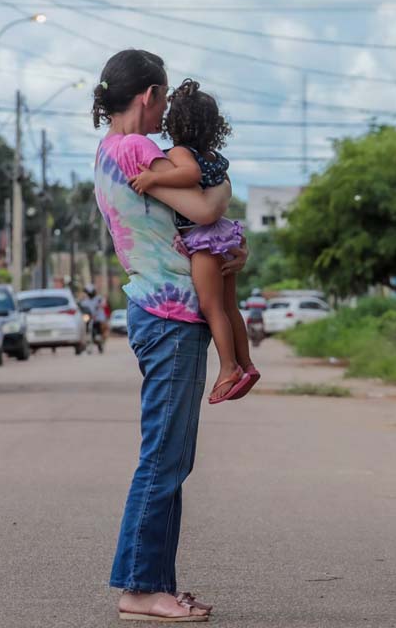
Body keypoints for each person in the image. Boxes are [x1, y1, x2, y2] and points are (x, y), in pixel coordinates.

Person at [92, 48, 246, 621]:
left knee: (171, 458)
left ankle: (157, 584)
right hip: (170, 318)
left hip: (163, 312)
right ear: (149, 96)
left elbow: (186, 226)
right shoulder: (137, 149)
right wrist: (223, 190)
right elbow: (206, 208)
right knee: (163, 458)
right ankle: (138, 587)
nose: (165, 118)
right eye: (161, 102)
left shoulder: (112, 150)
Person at [128, 78, 259, 404]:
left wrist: (154, 177)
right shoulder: (214, 156)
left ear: (175, 122)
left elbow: (190, 176)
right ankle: (247, 364)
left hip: (202, 241)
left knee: (211, 306)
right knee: (230, 306)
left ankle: (228, 367)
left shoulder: (181, 153)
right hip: (223, 236)